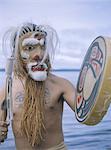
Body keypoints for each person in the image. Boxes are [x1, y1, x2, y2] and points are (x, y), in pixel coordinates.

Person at [0, 22, 76, 150]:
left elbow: (87, 111)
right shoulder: (7, 91)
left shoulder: (61, 85)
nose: (39, 55)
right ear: (17, 53)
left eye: (42, 47)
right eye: (29, 48)